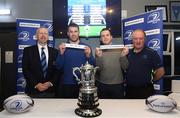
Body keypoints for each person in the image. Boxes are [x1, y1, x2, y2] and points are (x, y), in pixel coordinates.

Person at [55, 23, 94, 98]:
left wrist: (88, 56)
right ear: (68, 33)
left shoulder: (86, 47)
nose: (73, 34)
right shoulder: (63, 47)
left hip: (83, 84)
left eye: (75, 31)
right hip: (67, 84)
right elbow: (58, 66)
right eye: (71, 31)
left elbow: (92, 67)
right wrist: (61, 54)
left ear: (79, 33)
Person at [125, 29, 165, 99]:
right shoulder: (128, 53)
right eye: (135, 39)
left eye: (141, 38)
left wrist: (152, 81)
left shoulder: (152, 53)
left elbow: (161, 71)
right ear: (132, 40)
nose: (138, 41)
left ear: (145, 39)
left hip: (146, 91)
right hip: (129, 90)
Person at [22, 27, 58, 98]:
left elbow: (57, 70)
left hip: (50, 91)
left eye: (45, 33)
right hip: (33, 90)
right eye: (41, 33)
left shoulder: (55, 52)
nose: (43, 35)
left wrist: (50, 83)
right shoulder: (28, 51)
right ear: (36, 36)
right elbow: (25, 70)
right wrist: (37, 84)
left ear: (48, 37)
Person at [95, 28, 129, 99]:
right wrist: (99, 57)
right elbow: (98, 69)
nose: (105, 37)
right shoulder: (98, 51)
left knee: (118, 108)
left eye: (107, 35)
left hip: (118, 85)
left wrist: (123, 56)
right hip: (102, 85)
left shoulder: (120, 49)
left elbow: (125, 67)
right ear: (100, 39)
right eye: (103, 36)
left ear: (111, 37)